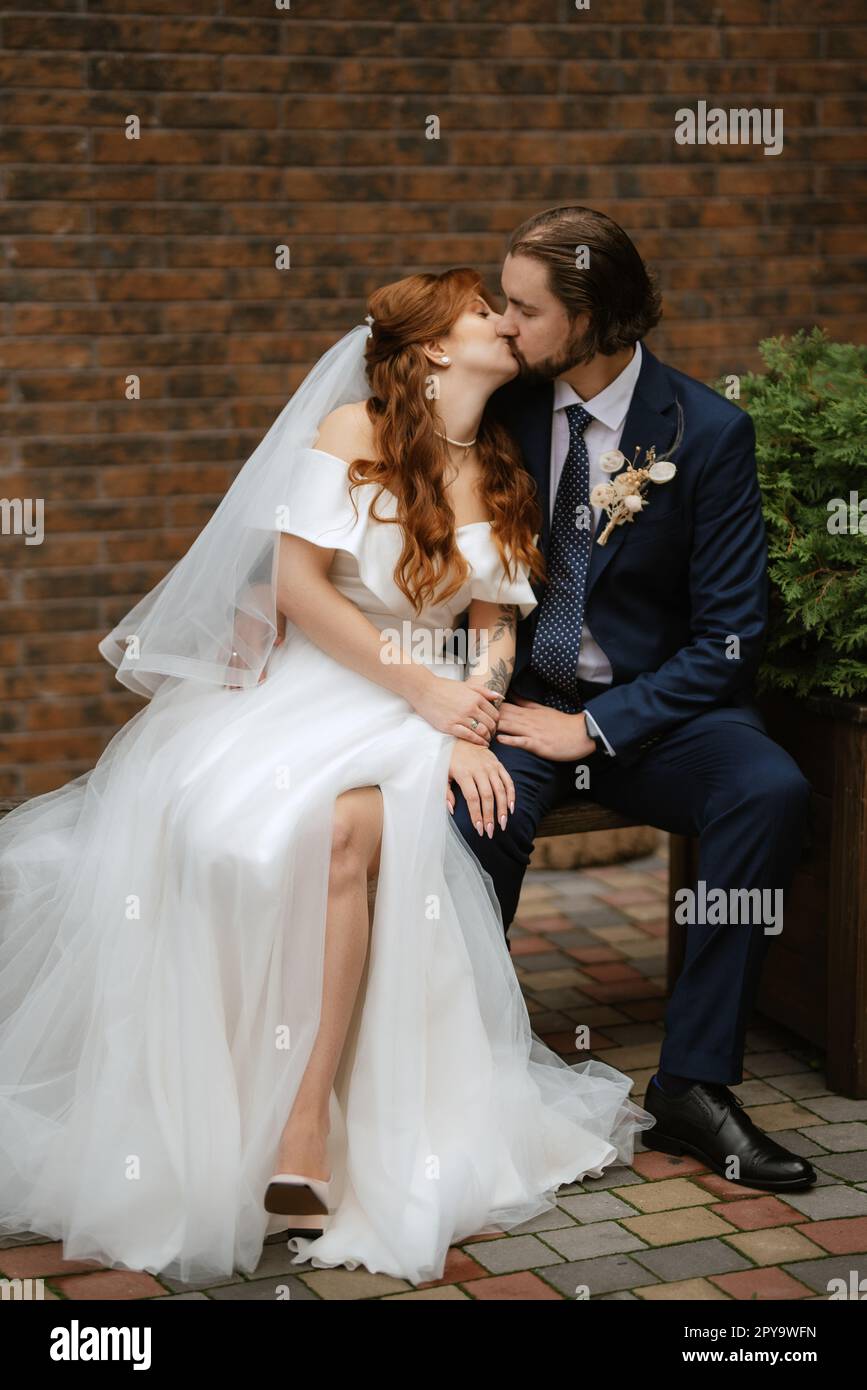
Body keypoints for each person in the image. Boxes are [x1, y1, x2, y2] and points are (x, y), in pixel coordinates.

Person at [0, 268, 656, 1288]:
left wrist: (469, 714)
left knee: (348, 831)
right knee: (246, 836)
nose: (502, 324)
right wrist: (423, 696)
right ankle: (238, 1113)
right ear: (436, 347)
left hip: (425, 708)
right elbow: (301, 589)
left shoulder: (494, 462)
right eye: (485, 311)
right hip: (323, 685)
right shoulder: (354, 432)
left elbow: (493, 627)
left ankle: (307, 1122)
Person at [448, 207, 817, 1195]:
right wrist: (461, 705)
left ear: (596, 314)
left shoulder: (708, 433)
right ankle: (457, 1066)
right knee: (469, 811)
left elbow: (732, 634)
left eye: (524, 307)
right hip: (523, 707)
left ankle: (694, 1084)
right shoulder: (502, 408)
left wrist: (600, 725)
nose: (505, 323)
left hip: (656, 718)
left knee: (766, 790)